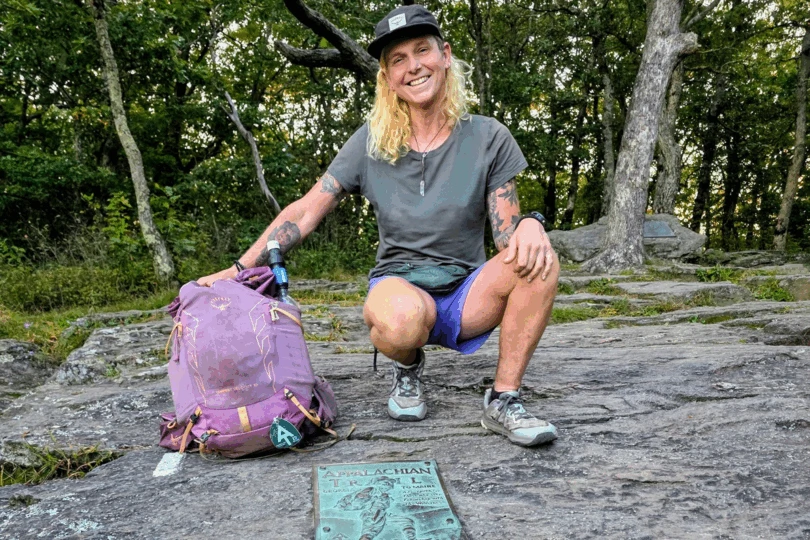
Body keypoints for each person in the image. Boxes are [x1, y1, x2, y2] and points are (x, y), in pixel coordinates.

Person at [198, 5, 560, 447]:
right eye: (398, 60)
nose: (413, 67)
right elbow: (306, 211)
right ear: (387, 77)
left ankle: (503, 399)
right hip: (400, 288)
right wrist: (238, 271)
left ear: (445, 55)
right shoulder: (370, 141)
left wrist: (531, 225)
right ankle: (407, 367)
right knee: (402, 320)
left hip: (469, 295)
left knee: (539, 263)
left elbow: (507, 237)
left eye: (422, 51)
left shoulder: (488, 137)